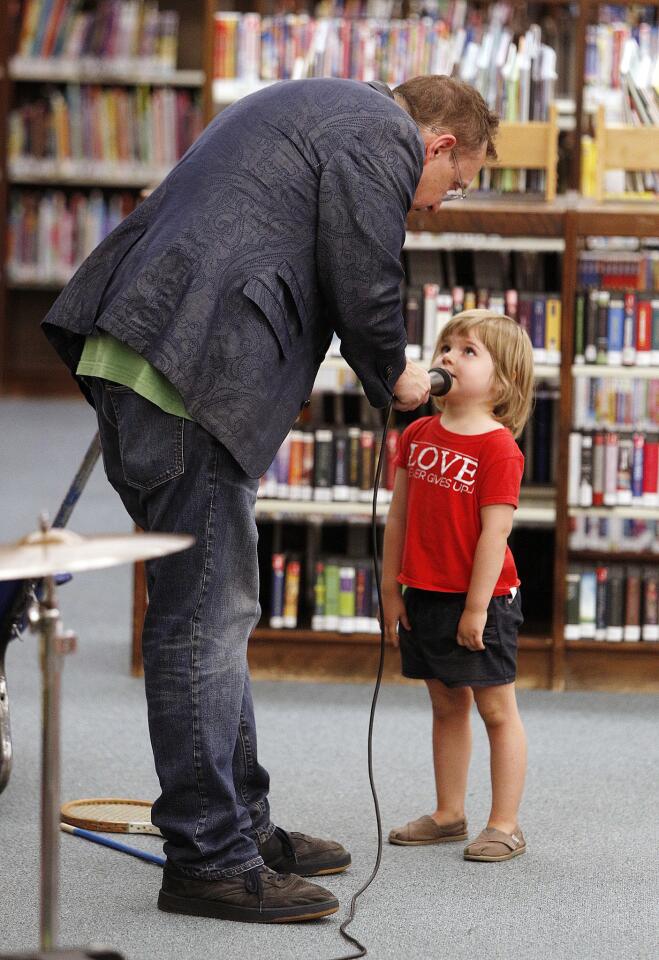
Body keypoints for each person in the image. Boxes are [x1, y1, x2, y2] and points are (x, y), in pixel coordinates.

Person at [42, 76, 499, 922]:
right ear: (438, 145)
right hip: (185, 370)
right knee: (200, 626)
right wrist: (393, 375)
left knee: (219, 611)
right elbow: (364, 265)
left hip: (150, 355)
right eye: (454, 183)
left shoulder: (322, 107)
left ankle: (238, 824)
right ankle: (208, 857)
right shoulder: (382, 134)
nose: (435, 205)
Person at [383, 309, 534, 863]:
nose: (447, 356)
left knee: (496, 709)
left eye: (468, 351)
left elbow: (495, 536)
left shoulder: (499, 450)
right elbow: (397, 518)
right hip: (422, 594)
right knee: (446, 704)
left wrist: (475, 610)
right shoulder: (418, 433)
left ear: (503, 381)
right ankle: (449, 814)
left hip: (483, 601)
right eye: (446, 346)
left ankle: (505, 824)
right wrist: (390, 591)